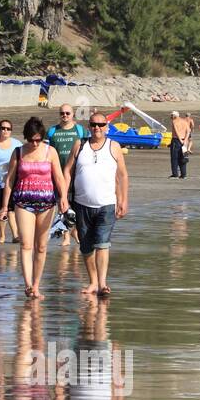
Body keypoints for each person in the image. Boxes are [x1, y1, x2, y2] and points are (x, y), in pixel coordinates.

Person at [1, 117, 66, 300]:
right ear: (26, 137)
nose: (35, 143)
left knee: (42, 246)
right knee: (26, 244)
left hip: (47, 202)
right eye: (31, 139)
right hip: (23, 202)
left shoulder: (50, 151)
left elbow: (59, 178)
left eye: (38, 139)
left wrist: (64, 200)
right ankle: (28, 284)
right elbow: (9, 181)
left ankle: (36, 285)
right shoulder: (18, 152)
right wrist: (5, 206)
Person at [64, 112, 128, 299]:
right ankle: (92, 281)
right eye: (93, 125)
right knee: (86, 245)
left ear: (107, 127)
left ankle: (102, 283)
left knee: (102, 244)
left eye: (101, 125)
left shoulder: (114, 146)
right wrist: (63, 196)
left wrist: (124, 200)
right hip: (81, 203)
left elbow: (122, 175)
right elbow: (67, 171)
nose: (97, 128)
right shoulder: (79, 145)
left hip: (107, 203)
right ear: (89, 126)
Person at [47, 104, 88, 246]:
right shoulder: (52, 131)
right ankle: (66, 237)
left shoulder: (80, 130)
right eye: (62, 113)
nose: (65, 115)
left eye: (67, 113)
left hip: (77, 174)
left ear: (73, 115)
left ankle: (76, 232)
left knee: (77, 205)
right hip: (57, 174)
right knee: (62, 205)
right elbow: (46, 151)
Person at [169, 110, 190, 178]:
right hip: (185, 141)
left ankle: (175, 174)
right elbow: (188, 131)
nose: (171, 116)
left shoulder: (174, 121)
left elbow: (176, 131)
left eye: (172, 115)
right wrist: (185, 140)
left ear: (174, 116)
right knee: (183, 157)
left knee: (174, 158)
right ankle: (183, 174)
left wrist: (180, 140)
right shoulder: (184, 121)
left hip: (176, 140)